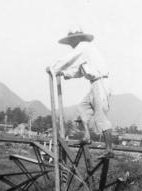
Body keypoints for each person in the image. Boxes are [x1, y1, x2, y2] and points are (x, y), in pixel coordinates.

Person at [48, 25, 114, 158]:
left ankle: (109, 149)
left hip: (101, 83)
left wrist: (53, 68)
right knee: (82, 108)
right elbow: (78, 71)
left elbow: (69, 59)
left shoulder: (83, 47)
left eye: (72, 41)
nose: (71, 44)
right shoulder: (84, 52)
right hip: (94, 84)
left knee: (100, 116)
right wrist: (63, 73)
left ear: (77, 39)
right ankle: (87, 136)